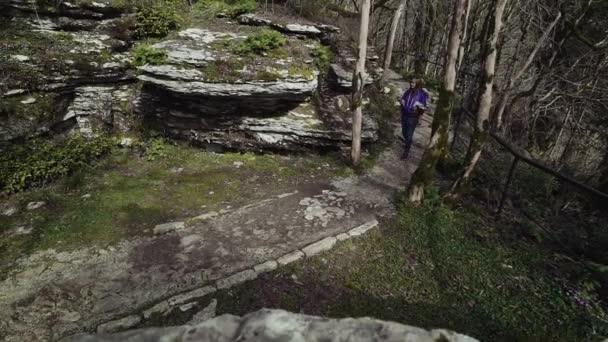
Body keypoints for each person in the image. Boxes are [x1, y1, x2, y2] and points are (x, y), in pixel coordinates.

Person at [400, 78, 428, 160]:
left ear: (417, 84)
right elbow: (403, 99)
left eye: (414, 83)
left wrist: (419, 106)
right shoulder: (408, 91)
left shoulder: (421, 94)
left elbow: (424, 107)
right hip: (405, 115)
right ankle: (407, 143)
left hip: (413, 117)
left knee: (409, 134)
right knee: (404, 132)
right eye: (411, 82)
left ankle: (406, 152)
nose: (412, 84)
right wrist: (402, 103)